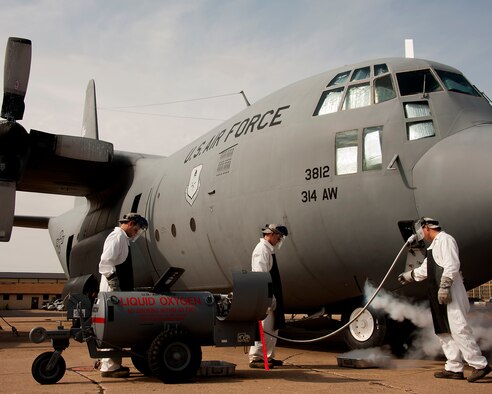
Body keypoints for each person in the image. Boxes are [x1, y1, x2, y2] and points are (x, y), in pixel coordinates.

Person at [398, 217, 491, 383]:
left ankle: (480, 365)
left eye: (420, 230)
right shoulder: (433, 246)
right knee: (443, 330)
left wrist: (446, 285)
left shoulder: (446, 240)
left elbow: (452, 264)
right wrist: (410, 276)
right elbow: (426, 269)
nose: (419, 234)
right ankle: (454, 367)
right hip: (437, 291)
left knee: (458, 329)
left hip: (450, 291)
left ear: (427, 227)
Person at [98, 213, 148, 378]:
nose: (136, 232)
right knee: (113, 328)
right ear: (131, 223)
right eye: (137, 229)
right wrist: (114, 283)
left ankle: (109, 363)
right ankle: (110, 367)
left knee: (115, 327)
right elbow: (105, 262)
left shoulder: (123, 240)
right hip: (113, 292)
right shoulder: (117, 237)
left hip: (117, 291)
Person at [249, 224, 288, 369]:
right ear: (271, 234)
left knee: (272, 327)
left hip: (271, 297)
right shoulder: (261, 250)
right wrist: (269, 298)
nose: (278, 241)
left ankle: (268, 356)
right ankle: (256, 358)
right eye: (278, 237)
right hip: (265, 297)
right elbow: (261, 276)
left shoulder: (268, 250)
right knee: (264, 327)